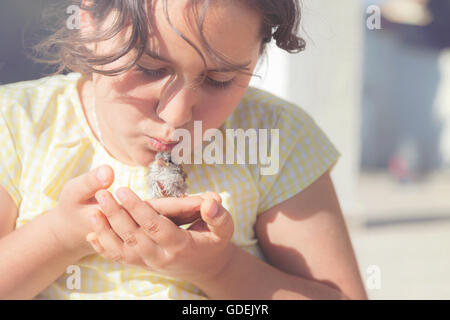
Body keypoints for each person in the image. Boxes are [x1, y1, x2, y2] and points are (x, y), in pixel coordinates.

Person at [0, 0, 367, 299]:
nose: (175, 116)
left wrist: (218, 268)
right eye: (148, 68)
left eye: (219, 80)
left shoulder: (276, 137)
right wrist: (60, 237)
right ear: (89, 21)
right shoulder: (17, 124)